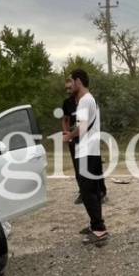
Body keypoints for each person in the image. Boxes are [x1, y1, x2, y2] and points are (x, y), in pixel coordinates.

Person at [63, 69, 108, 244]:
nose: (68, 84)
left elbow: (81, 128)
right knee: (94, 191)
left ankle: (99, 230)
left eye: (70, 81)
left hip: (86, 152)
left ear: (78, 82)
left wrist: (68, 136)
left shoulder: (83, 101)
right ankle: (96, 224)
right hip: (93, 151)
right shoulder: (92, 100)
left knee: (87, 192)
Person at [61, 77, 83, 205]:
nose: (68, 90)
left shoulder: (85, 100)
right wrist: (66, 133)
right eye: (66, 89)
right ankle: (82, 192)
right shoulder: (67, 102)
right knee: (77, 165)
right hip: (73, 138)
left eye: (70, 88)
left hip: (87, 137)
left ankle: (100, 191)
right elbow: (65, 119)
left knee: (92, 165)